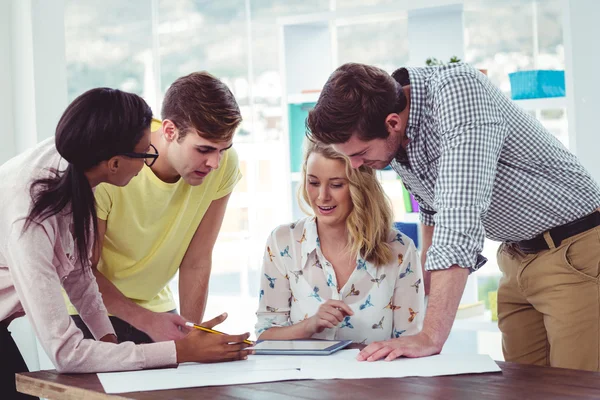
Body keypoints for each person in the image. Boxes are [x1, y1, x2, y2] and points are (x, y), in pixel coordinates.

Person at [305, 62, 600, 370]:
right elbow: (433, 209)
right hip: (516, 257)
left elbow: (459, 217)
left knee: (577, 385)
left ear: (392, 123)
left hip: (575, 251)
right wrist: (419, 290)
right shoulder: (396, 135)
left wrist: (430, 336)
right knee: (524, 387)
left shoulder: (458, 93)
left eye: (360, 153)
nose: (355, 166)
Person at [0, 88, 251, 399]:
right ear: (115, 164)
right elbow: (66, 354)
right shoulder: (30, 220)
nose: (150, 161)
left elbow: (79, 272)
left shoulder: (78, 162)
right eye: (146, 153)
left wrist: (108, 338)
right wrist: (179, 352)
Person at [65, 72, 243, 344]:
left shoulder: (223, 164)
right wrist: (146, 321)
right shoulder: (116, 163)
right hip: (91, 304)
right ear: (170, 131)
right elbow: (84, 269)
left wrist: (190, 333)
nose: (214, 163)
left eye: (223, 149)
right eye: (204, 149)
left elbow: (197, 260)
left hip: (156, 305)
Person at [255, 140, 424, 350]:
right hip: (303, 380)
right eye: (313, 182)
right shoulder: (282, 242)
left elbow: (409, 343)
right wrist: (309, 326)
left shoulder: (400, 249)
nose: (322, 196)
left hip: (375, 380)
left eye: (336, 185)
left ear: (360, 188)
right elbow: (264, 336)